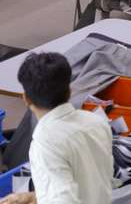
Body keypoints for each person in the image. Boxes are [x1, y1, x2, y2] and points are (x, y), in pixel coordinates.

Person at [2, 52, 112, 204]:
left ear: (26, 99)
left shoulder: (46, 142)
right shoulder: (97, 123)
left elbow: (65, 200)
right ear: (70, 91)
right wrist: (34, 197)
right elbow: (88, 186)